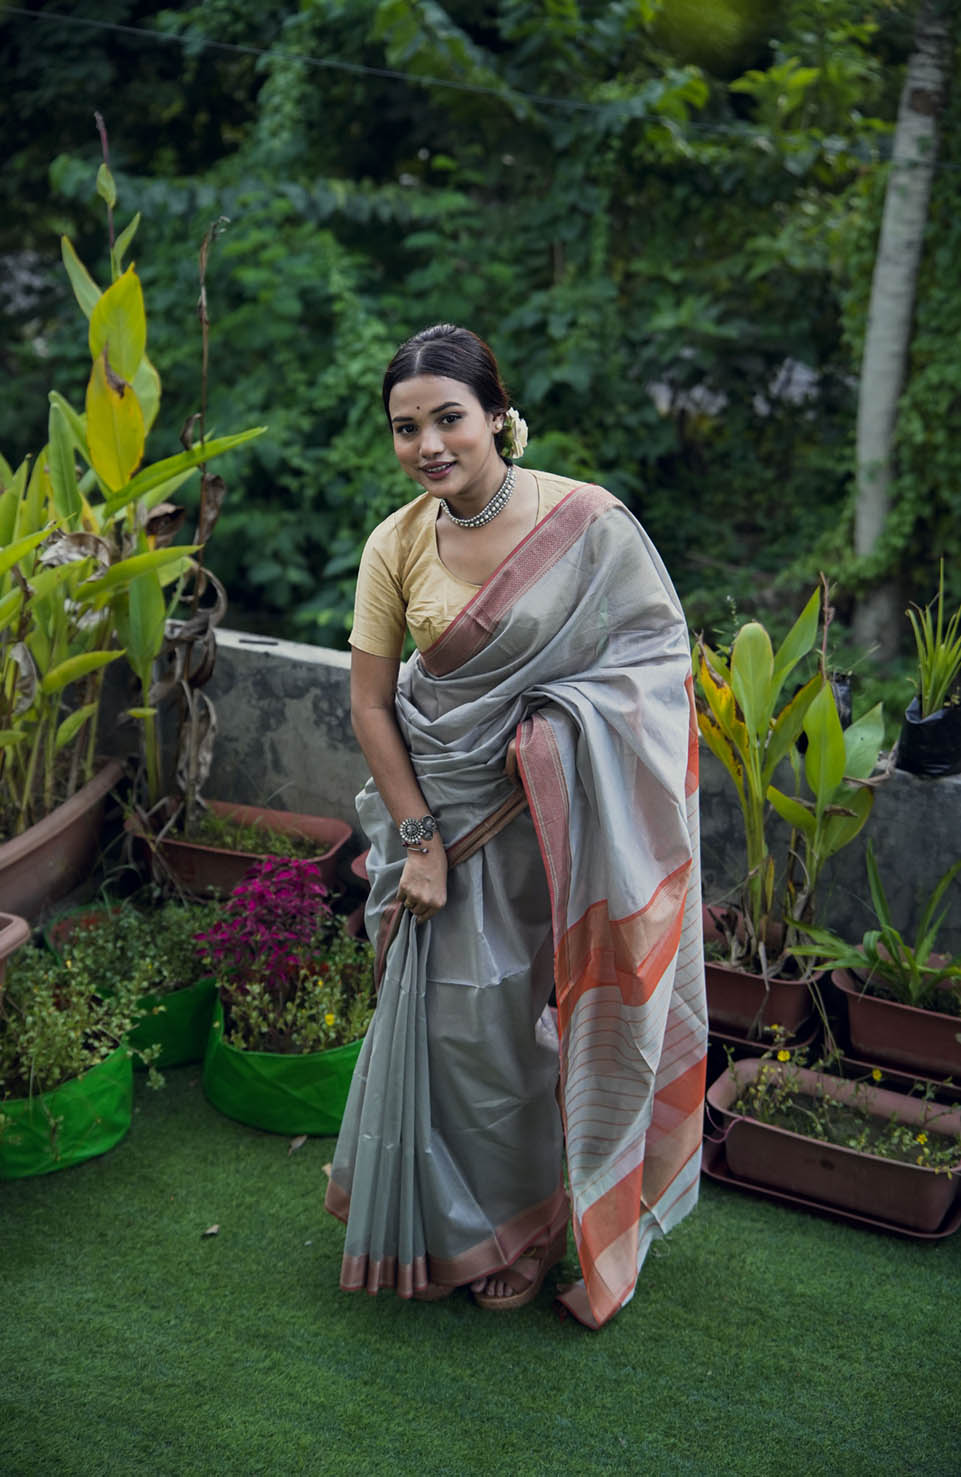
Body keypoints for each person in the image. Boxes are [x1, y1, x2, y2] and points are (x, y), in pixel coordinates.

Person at [324, 323, 706, 1329]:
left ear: (497, 414)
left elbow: (656, 666)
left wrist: (552, 736)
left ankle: (539, 1227)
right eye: (406, 427)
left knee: (536, 1027)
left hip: (562, 823)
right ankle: (472, 1221)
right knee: (458, 1032)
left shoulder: (588, 525)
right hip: (439, 823)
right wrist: (419, 843)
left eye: (449, 417)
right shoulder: (396, 542)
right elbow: (370, 704)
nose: (428, 444)